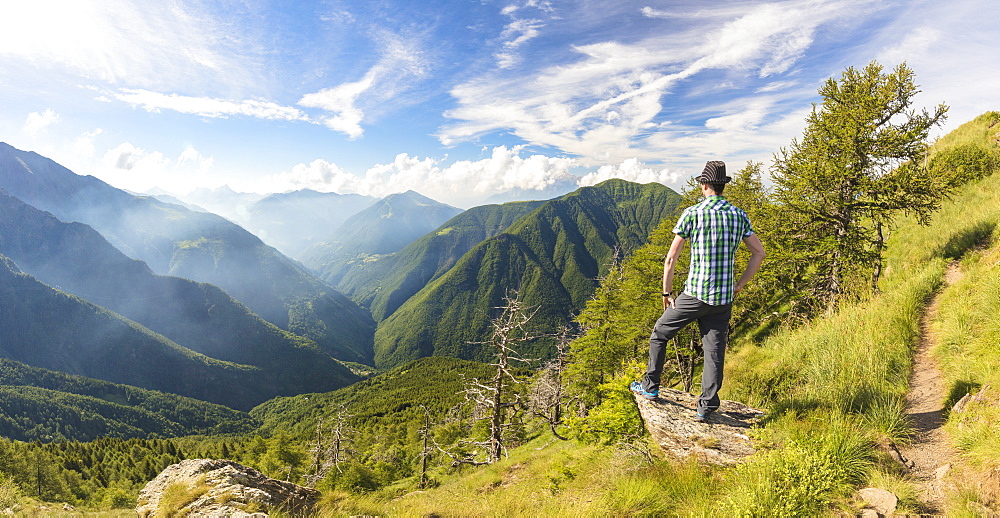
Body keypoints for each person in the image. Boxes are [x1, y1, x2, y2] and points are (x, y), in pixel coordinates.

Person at [630, 160, 766, 422]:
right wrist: (739, 285)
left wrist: (666, 294)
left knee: (660, 333)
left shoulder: (692, 213)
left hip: (694, 294)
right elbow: (758, 253)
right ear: (722, 186)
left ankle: (650, 387)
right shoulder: (739, 215)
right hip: (723, 298)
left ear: (704, 185)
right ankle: (706, 407)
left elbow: (671, 259)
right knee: (714, 351)